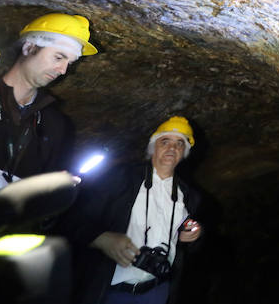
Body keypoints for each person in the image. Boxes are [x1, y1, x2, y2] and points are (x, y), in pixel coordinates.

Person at [58, 116, 203, 304]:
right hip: (109, 290)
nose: (172, 148)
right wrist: (100, 238)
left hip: (157, 291)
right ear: (153, 148)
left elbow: (191, 248)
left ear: (185, 152)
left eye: (179, 144)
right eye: (165, 141)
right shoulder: (121, 178)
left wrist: (194, 236)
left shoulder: (190, 196)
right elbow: (71, 219)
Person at [0, 13, 97, 195]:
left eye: (70, 63)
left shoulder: (55, 124)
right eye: (59, 57)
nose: (63, 70)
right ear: (29, 47)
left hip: (4, 219)